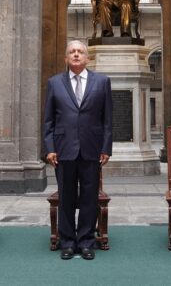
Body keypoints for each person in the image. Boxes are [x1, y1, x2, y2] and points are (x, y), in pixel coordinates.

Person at [43, 40, 113, 260]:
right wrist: (50, 148)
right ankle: (67, 242)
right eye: (71, 52)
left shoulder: (102, 82)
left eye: (80, 52)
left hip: (92, 148)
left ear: (87, 57)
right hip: (63, 150)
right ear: (66, 58)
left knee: (89, 198)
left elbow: (107, 119)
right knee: (66, 197)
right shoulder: (55, 83)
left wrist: (106, 147)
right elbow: (48, 120)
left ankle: (85, 241)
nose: (75, 55)